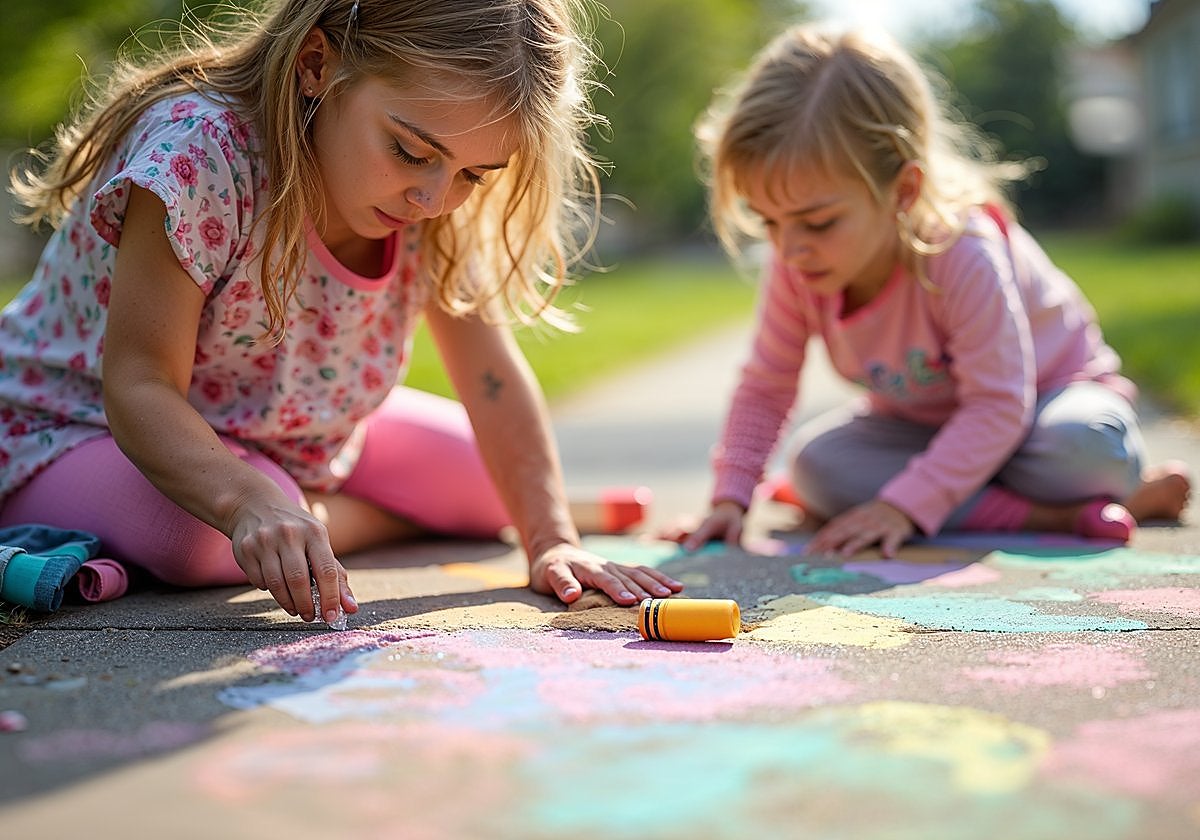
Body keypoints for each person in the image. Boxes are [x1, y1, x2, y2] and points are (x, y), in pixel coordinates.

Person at [0, 0, 683, 623]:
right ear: (317, 66)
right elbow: (139, 385)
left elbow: (491, 379)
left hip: (297, 433)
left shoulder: (434, 198)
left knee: (495, 482)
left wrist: (552, 538)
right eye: (411, 152)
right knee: (204, 542)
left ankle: (306, 514)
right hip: (79, 426)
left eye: (476, 175)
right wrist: (251, 502)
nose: (435, 198)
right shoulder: (199, 155)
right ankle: (306, 514)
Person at [680, 25, 1191, 557]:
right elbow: (767, 384)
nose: (788, 249)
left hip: (1044, 406)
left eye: (819, 222)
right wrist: (730, 500)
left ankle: (1097, 492)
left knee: (1085, 451)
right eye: (769, 222)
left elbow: (998, 405)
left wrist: (900, 504)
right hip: (924, 430)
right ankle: (1055, 517)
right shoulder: (799, 264)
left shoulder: (961, 247)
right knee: (816, 468)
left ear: (903, 190)